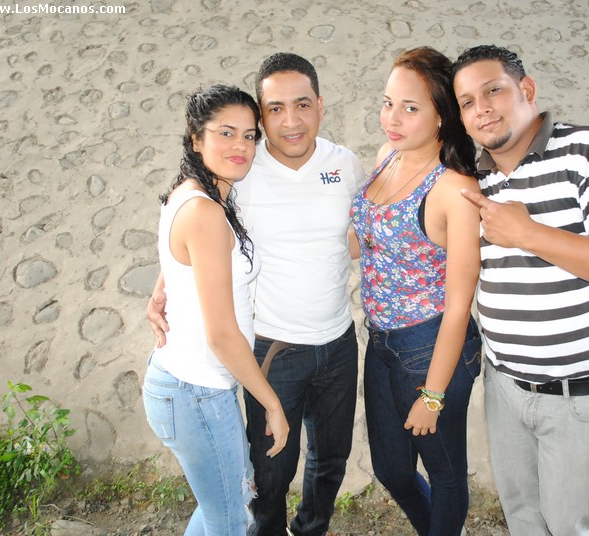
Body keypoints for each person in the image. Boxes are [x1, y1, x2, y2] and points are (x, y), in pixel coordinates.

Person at [452, 45, 589, 535]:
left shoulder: (588, 149)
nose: (480, 108)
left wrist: (528, 233)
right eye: (466, 102)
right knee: (524, 518)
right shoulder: (478, 178)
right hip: (506, 387)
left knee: (572, 527)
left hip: (583, 393)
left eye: (492, 91)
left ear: (526, 90)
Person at [148, 54, 364, 536]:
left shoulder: (346, 165)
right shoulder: (240, 169)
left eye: (302, 104)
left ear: (321, 107)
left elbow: (358, 235)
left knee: (330, 461)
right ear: (262, 114)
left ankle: (310, 530)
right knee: (268, 474)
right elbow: (197, 234)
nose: (291, 121)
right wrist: (163, 286)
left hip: (338, 344)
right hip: (271, 350)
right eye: (275, 109)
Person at [142, 84, 289, 535]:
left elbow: (184, 259)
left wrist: (161, 286)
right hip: (197, 392)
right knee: (230, 519)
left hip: (190, 387)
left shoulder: (194, 192)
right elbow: (222, 335)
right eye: (226, 133)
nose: (241, 147)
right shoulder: (205, 209)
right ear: (195, 137)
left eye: (249, 136)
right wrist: (272, 404)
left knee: (216, 510)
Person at [348, 47, 482, 536]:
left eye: (410, 108)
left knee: (445, 475)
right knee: (392, 470)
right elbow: (363, 240)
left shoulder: (455, 191)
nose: (392, 118)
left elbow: (458, 305)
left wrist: (433, 394)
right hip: (381, 339)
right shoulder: (387, 158)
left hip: (429, 347)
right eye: (388, 103)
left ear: (443, 116)